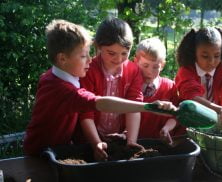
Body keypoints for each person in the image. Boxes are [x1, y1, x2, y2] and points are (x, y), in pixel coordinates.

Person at [23, 19, 176, 156]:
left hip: (59, 147)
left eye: (124, 53)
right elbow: (98, 104)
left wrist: (130, 139)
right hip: (40, 151)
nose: (90, 60)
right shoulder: (61, 88)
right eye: (84, 56)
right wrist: (148, 106)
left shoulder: (65, 78)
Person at [77, 17, 144, 161]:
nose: (118, 59)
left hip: (118, 138)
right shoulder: (88, 70)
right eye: (111, 53)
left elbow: (134, 106)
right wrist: (96, 143)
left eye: (124, 53)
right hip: (88, 139)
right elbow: (85, 111)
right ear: (99, 46)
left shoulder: (133, 71)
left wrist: (131, 140)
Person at [175, 27, 222, 130]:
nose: (211, 61)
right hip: (188, 126)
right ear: (194, 53)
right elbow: (192, 97)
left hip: (215, 126)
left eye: (216, 56)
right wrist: (218, 109)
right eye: (205, 56)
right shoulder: (186, 72)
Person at [134, 37, 186, 145]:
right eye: (145, 65)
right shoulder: (129, 85)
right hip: (132, 142)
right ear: (136, 62)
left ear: (162, 65)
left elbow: (177, 115)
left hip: (159, 145)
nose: (149, 71)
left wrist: (167, 128)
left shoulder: (169, 87)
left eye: (155, 67)